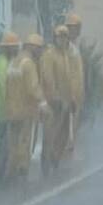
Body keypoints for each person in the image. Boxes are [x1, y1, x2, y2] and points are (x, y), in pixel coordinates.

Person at [4, 33, 49, 184]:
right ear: (33, 48)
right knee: (24, 142)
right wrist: (43, 103)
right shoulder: (28, 64)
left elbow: (7, 87)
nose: (40, 52)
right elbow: (33, 87)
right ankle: (22, 170)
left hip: (11, 111)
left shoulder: (13, 62)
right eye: (39, 49)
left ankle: (10, 171)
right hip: (25, 110)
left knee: (13, 143)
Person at [38, 25, 72, 175]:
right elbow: (48, 78)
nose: (62, 40)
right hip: (52, 102)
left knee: (62, 133)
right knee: (49, 133)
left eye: (65, 37)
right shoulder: (49, 55)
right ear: (55, 38)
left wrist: (71, 99)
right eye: (60, 37)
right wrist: (54, 97)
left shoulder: (65, 55)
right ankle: (46, 162)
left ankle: (55, 158)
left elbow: (68, 79)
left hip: (64, 102)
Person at [0, 31, 20, 183]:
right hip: (3, 110)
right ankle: (1, 173)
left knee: (3, 142)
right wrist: (11, 105)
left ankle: (2, 171)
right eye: (14, 47)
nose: (17, 49)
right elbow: (4, 87)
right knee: (3, 143)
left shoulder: (5, 62)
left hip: (2, 110)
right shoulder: (3, 64)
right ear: (8, 48)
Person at [63, 13, 86, 157]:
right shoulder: (65, 48)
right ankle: (63, 151)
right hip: (68, 94)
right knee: (66, 125)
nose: (77, 31)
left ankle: (68, 148)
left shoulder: (73, 47)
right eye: (75, 28)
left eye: (78, 28)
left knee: (73, 124)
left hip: (77, 94)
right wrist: (69, 94)